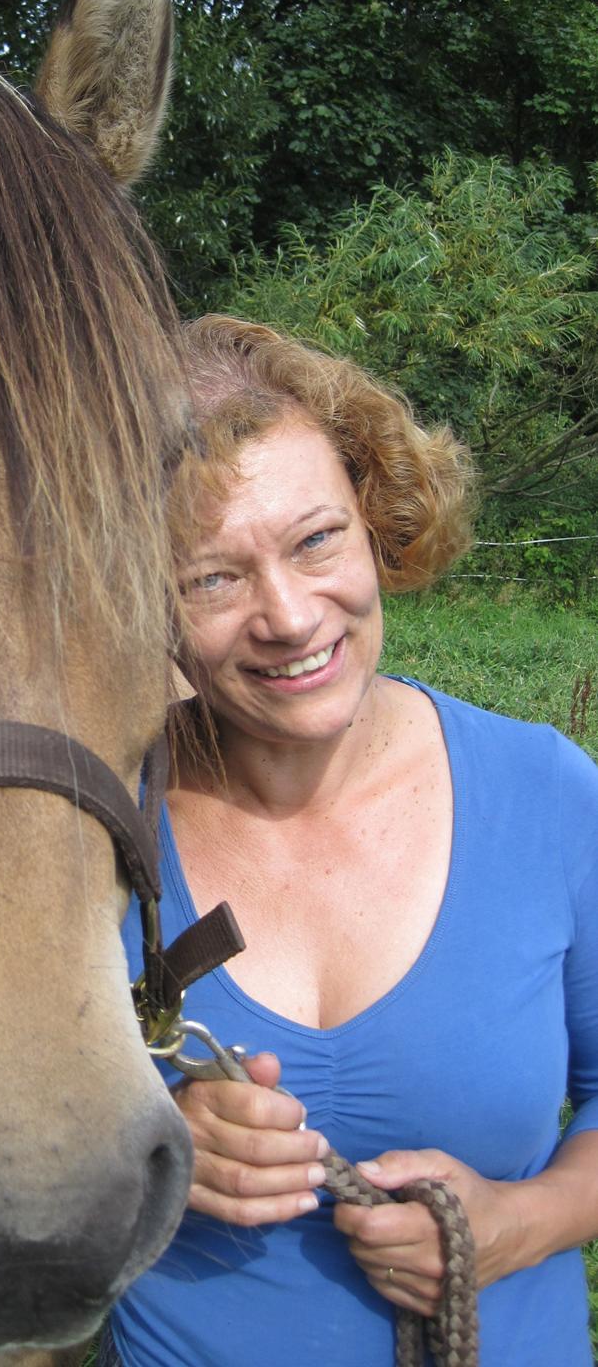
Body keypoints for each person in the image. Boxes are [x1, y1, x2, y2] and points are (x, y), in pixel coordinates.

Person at [111, 315, 598, 1366]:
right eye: (212, 579)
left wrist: (524, 1224)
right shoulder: (93, 832)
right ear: (139, 605)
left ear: (378, 518)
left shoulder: (546, 794)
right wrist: (141, 1153)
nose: (288, 615)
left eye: (316, 539)